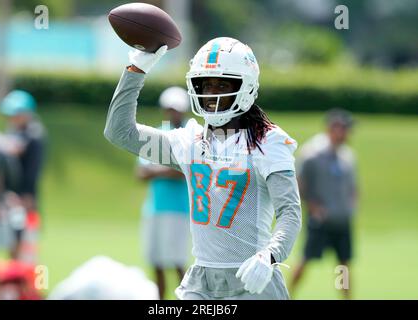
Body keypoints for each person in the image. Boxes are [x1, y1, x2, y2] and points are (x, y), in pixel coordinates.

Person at [104, 37, 302, 300]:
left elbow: (290, 212)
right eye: (206, 84)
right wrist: (136, 69)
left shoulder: (268, 142)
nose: (212, 94)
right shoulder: (188, 141)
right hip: (201, 282)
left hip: (252, 278)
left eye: (223, 84)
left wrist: (270, 255)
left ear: (247, 86)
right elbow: (119, 131)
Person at [290, 108, 357, 299]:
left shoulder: (347, 155)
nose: (345, 133)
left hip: (341, 219)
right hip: (320, 220)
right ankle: (288, 294)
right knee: (306, 259)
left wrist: (351, 206)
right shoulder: (313, 153)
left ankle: (345, 297)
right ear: (331, 128)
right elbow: (300, 182)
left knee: (343, 265)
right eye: (342, 128)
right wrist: (312, 206)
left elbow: (352, 187)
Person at [136, 86, 191, 299]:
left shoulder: (190, 136)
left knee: (178, 262)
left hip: (179, 209)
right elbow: (141, 172)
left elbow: (186, 171)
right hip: (154, 208)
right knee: (156, 262)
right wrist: (171, 168)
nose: (172, 114)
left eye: (176, 109)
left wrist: (159, 169)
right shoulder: (156, 134)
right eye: (169, 109)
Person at [0, 90, 46, 263]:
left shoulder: (34, 134)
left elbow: (30, 169)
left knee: (27, 245)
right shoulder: (13, 131)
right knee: (12, 242)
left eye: (16, 114)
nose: (11, 118)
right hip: (12, 196)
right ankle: (14, 282)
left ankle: (30, 287)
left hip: (25, 198)